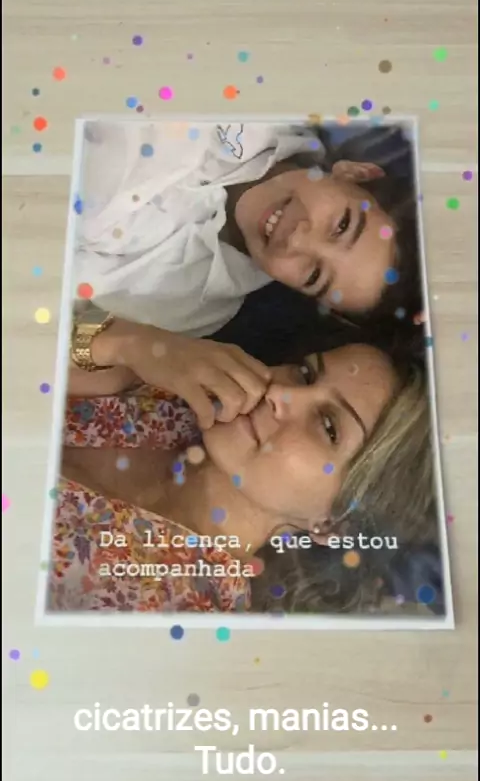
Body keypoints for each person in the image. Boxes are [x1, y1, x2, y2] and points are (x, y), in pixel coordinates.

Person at [48, 337, 437, 614]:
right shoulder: (173, 394)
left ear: (331, 524)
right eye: (305, 374)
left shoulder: (176, 610)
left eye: (328, 426)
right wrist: (124, 343)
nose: (280, 393)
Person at [75, 120, 422, 343]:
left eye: (314, 275)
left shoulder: (187, 307)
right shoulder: (266, 98)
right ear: (356, 174)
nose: (296, 240)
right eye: (341, 225)